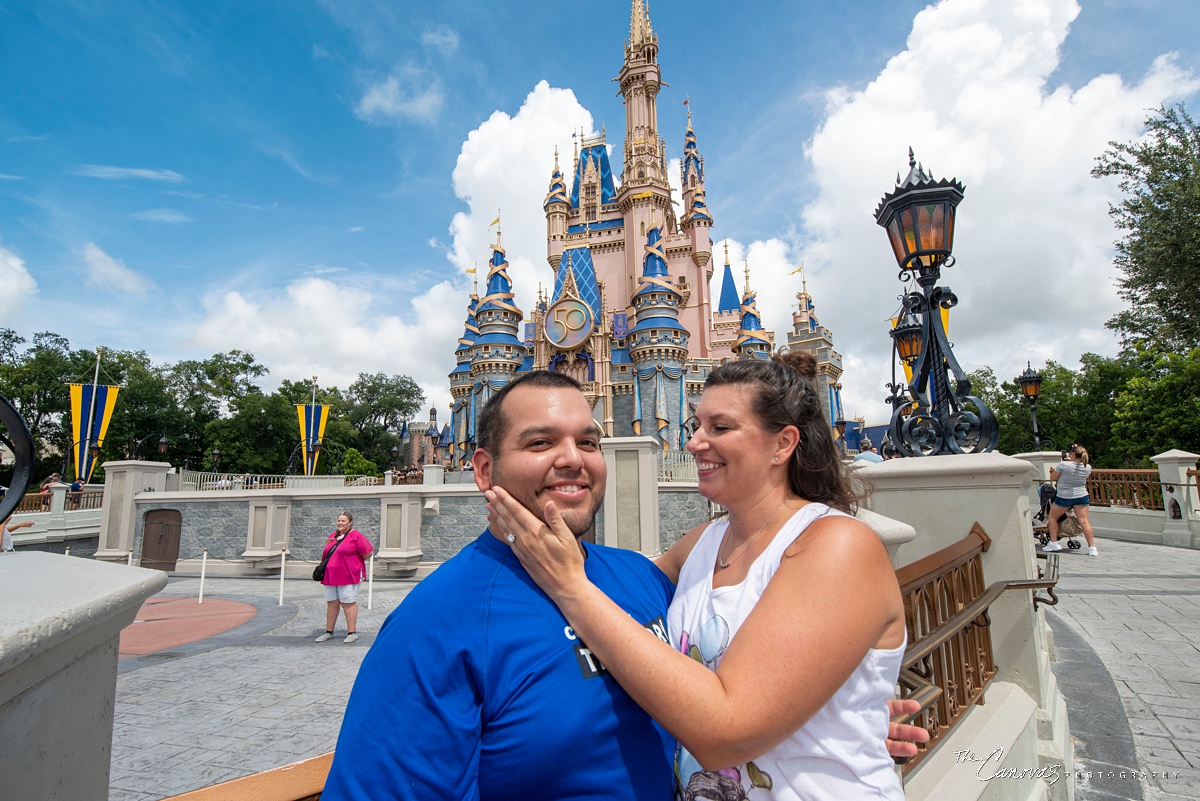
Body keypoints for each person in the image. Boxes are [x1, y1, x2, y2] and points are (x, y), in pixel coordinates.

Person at [323, 371, 924, 800]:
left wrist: (836, 714)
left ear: (783, 443)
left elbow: (732, 710)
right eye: (540, 442)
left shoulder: (634, 580)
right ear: (484, 469)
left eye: (587, 441)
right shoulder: (439, 621)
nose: (573, 459)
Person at [490, 354, 909, 799]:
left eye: (720, 428)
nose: (694, 443)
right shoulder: (701, 546)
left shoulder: (836, 547)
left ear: (782, 445)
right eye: (696, 426)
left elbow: (725, 733)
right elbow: (619, 610)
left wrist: (569, 585)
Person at [315, 512, 373, 643]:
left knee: (348, 602)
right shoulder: (333, 536)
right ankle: (329, 631)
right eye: (339, 520)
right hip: (331, 576)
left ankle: (352, 632)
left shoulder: (356, 536)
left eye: (343, 521)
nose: (340, 523)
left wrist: (353, 563)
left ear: (350, 522)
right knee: (332, 603)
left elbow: (368, 552)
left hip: (348, 576)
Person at [1042, 443, 1097, 556]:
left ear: (1072, 454)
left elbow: (1052, 478)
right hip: (1081, 495)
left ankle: (1054, 542)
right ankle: (1092, 548)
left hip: (1065, 496)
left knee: (1052, 517)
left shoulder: (1063, 465)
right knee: (1084, 521)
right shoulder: (1088, 467)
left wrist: (1064, 464)